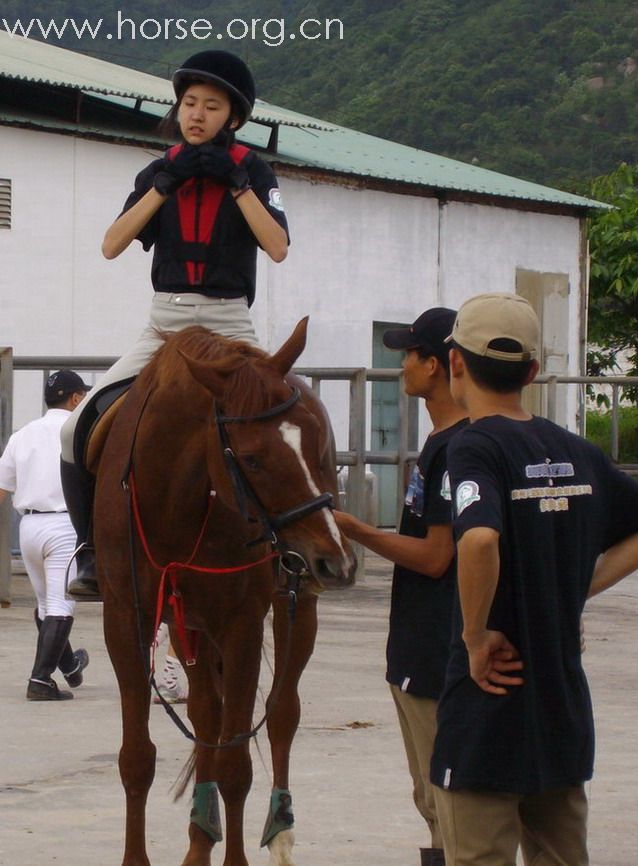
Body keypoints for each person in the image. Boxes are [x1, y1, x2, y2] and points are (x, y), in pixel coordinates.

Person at [59, 50, 290, 598]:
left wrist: (237, 183)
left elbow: (277, 247)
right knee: (74, 429)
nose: (197, 114)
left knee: (281, 422)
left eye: (212, 106)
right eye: (189, 103)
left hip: (230, 321)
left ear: (233, 117)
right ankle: (91, 548)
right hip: (165, 321)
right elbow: (112, 244)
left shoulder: (254, 168)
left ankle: (288, 549)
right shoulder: (158, 168)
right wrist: (164, 185)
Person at [430, 293, 638, 866]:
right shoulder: (578, 452)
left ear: (455, 364)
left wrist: (474, 637)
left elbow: (477, 538)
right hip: (561, 709)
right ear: (532, 372)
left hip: (487, 712)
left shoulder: (473, 446)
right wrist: (575, 589)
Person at [334, 308, 467, 866]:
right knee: (433, 797)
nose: (401, 364)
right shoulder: (443, 440)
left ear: (435, 366)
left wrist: (356, 529)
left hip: (437, 650)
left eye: (409, 354)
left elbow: (437, 557)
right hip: (420, 645)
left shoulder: (458, 447)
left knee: (448, 800)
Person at [0, 370, 91, 700]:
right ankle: (39, 681)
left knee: (45, 606)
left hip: (29, 528)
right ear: (76, 398)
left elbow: (2, 488)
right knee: (61, 606)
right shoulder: (80, 430)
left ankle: (69, 667)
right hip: (64, 525)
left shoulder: (22, 434)